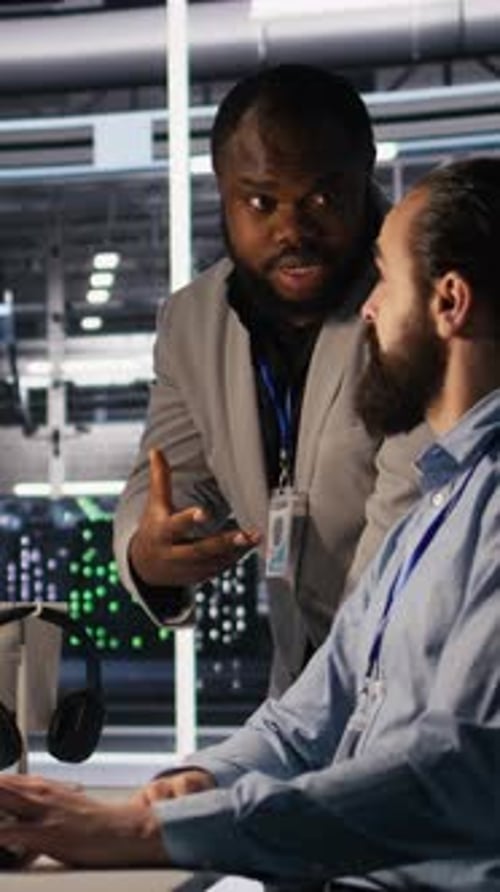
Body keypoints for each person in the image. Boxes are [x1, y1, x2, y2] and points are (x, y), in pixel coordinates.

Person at [1, 156, 499, 890]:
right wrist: (184, 786)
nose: (368, 309)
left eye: (385, 280)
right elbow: (309, 715)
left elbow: (457, 776)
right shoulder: (443, 503)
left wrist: (149, 831)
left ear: (448, 301)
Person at [113, 64, 429, 696]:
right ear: (222, 190)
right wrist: (151, 553)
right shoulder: (190, 321)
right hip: (302, 686)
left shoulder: (425, 299)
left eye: (322, 197)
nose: (293, 229)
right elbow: (164, 477)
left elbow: (407, 536)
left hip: (415, 679)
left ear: (364, 174)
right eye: (262, 201)